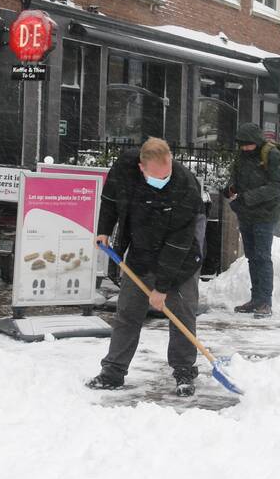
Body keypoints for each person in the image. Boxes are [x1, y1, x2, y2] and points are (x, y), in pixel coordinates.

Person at [86, 138, 205, 396]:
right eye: (157, 176)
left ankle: (184, 370)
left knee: (182, 313)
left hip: (180, 258)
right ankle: (113, 371)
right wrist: (104, 230)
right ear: (142, 168)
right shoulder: (125, 169)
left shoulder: (185, 186)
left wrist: (161, 288)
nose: (164, 180)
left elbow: (179, 243)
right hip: (141, 251)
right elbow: (109, 199)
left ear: (171, 160)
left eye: (167, 174)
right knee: (128, 311)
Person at [224, 123, 280, 319]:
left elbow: (277, 186)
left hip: (265, 214)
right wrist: (231, 189)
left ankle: (265, 301)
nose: (244, 148)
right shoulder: (242, 156)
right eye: (241, 145)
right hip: (246, 213)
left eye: (247, 144)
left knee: (262, 257)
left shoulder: (272, 155)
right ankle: (256, 299)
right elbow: (236, 178)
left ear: (256, 142)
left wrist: (249, 197)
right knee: (252, 256)